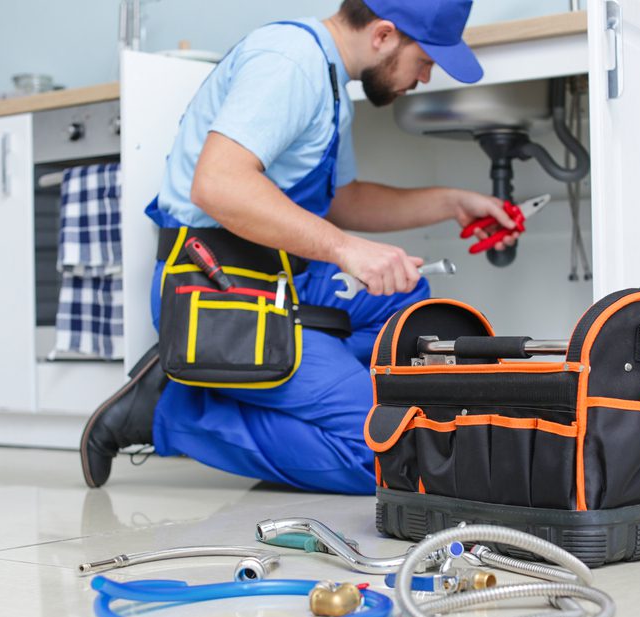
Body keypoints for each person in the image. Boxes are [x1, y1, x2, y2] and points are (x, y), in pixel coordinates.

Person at [80, 0, 517, 493]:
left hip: (283, 275)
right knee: (384, 456)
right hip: (219, 285)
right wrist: (347, 251)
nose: (425, 76)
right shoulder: (290, 63)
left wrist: (451, 202)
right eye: (425, 60)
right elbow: (218, 184)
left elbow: (342, 201)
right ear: (383, 36)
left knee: (407, 304)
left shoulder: (328, 76)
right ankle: (167, 412)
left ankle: (305, 393)